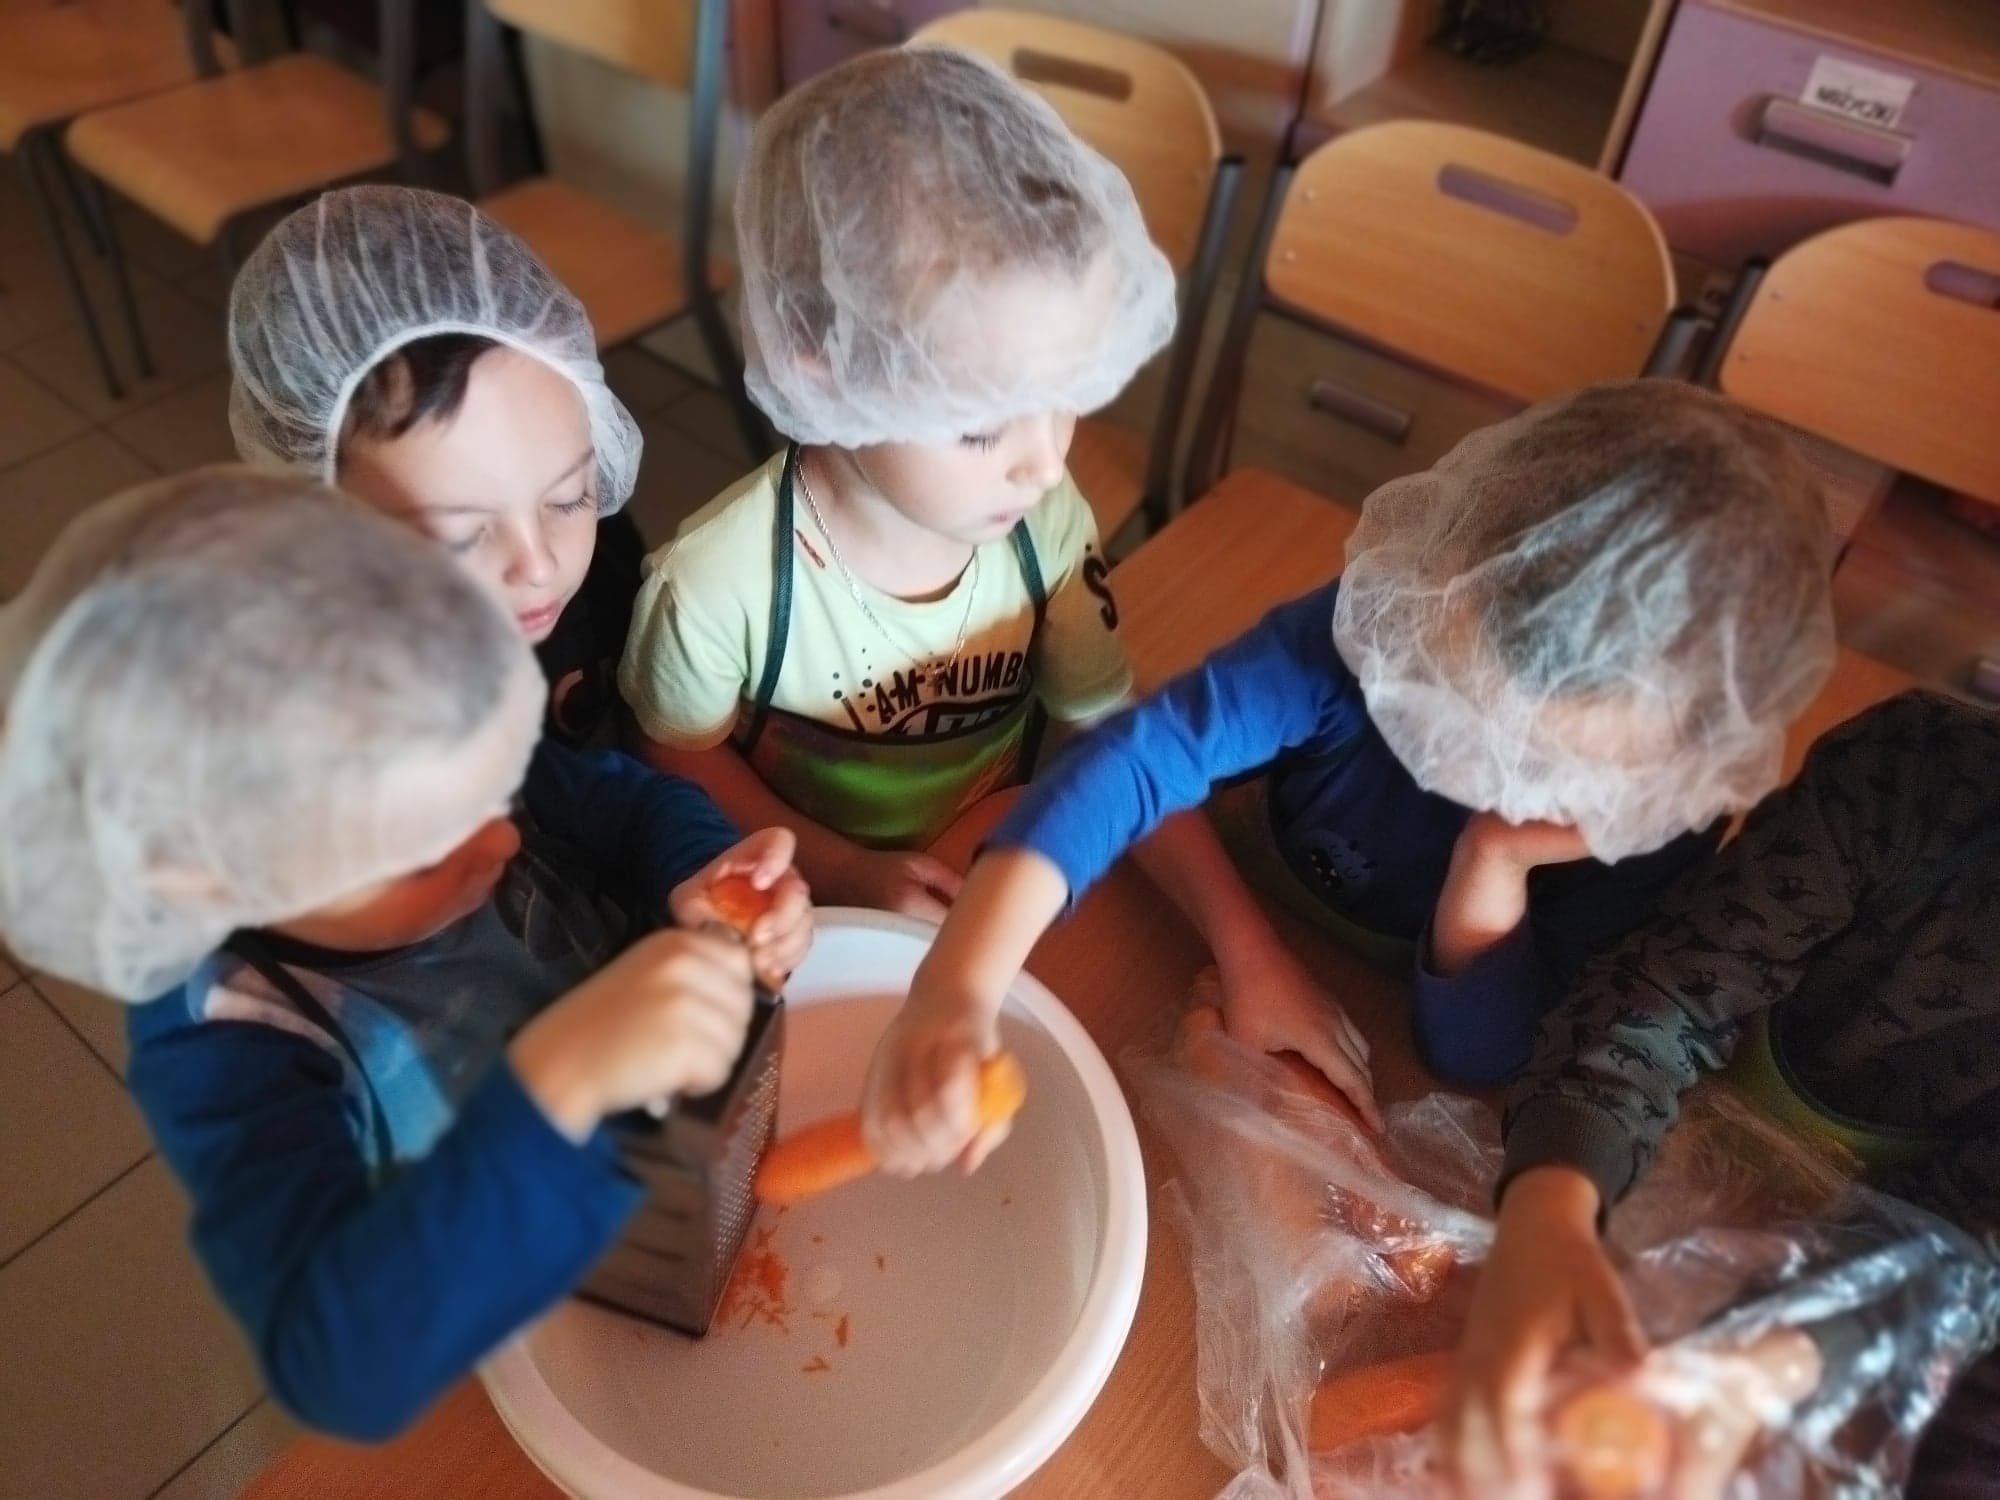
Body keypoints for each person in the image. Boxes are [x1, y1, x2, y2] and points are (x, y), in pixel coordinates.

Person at [620, 45, 1380, 1112]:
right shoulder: (719, 583)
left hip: (1003, 873)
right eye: (980, 426)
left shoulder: (1041, 528)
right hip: (810, 927)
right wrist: (843, 869)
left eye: (1066, 396)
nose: (1045, 464)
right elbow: (672, 754)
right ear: (820, 367)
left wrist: (1246, 949)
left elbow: (1120, 746)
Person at [0, 469, 810, 1440]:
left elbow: (629, 804)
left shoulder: (431, 750)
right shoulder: (230, 1037)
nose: (501, 837)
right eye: (428, 851)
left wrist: (703, 870)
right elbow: (339, 1366)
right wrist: (558, 1083)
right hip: (482, 1312)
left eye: (499, 786)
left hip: (661, 1198)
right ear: (224, 876)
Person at [862, 381, 1838, 1173]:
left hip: (1395, 1039)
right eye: (1468, 716)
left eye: (1555, 772)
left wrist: (1493, 859)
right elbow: (1134, 758)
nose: (1498, 782)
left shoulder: (1654, 820)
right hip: (1255, 898)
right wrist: (957, 988)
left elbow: (1480, 1054)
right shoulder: (1371, 639)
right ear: (1443, 582)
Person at [1444, 690, 2000, 1499]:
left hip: (1849, 1308)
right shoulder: (1918, 773)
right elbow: (1666, 992)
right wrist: (1549, 1203)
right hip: (1643, 1149)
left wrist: (1762, 1365)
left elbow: (1971, 1249)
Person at [227, 184, 646, 746]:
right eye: (460, 536)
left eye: (569, 498)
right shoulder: (327, 712)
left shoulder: (609, 571)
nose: (539, 565)